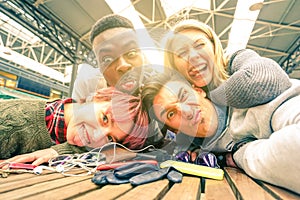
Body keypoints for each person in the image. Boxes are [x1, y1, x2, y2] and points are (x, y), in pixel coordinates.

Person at [141, 68, 300, 194]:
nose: (186, 111)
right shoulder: (197, 151)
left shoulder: (260, 95)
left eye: (183, 95)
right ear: (173, 129)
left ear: (198, 90)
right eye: (171, 113)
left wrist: (236, 156)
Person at [0, 86, 149, 166]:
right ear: (97, 97)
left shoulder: (68, 123)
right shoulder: (11, 120)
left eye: (110, 138)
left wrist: (59, 151)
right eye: (104, 118)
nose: (96, 138)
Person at [161, 19, 291, 108]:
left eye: (200, 45)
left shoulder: (236, 59)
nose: (193, 57)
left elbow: (266, 81)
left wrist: (209, 98)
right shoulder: (183, 102)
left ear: (214, 46)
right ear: (174, 66)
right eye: (182, 53)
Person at [72, 13, 149, 101]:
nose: (123, 66)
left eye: (131, 53)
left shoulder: (159, 86)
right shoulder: (87, 84)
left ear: (142, 55)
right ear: (100, 67)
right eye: (107, 59)